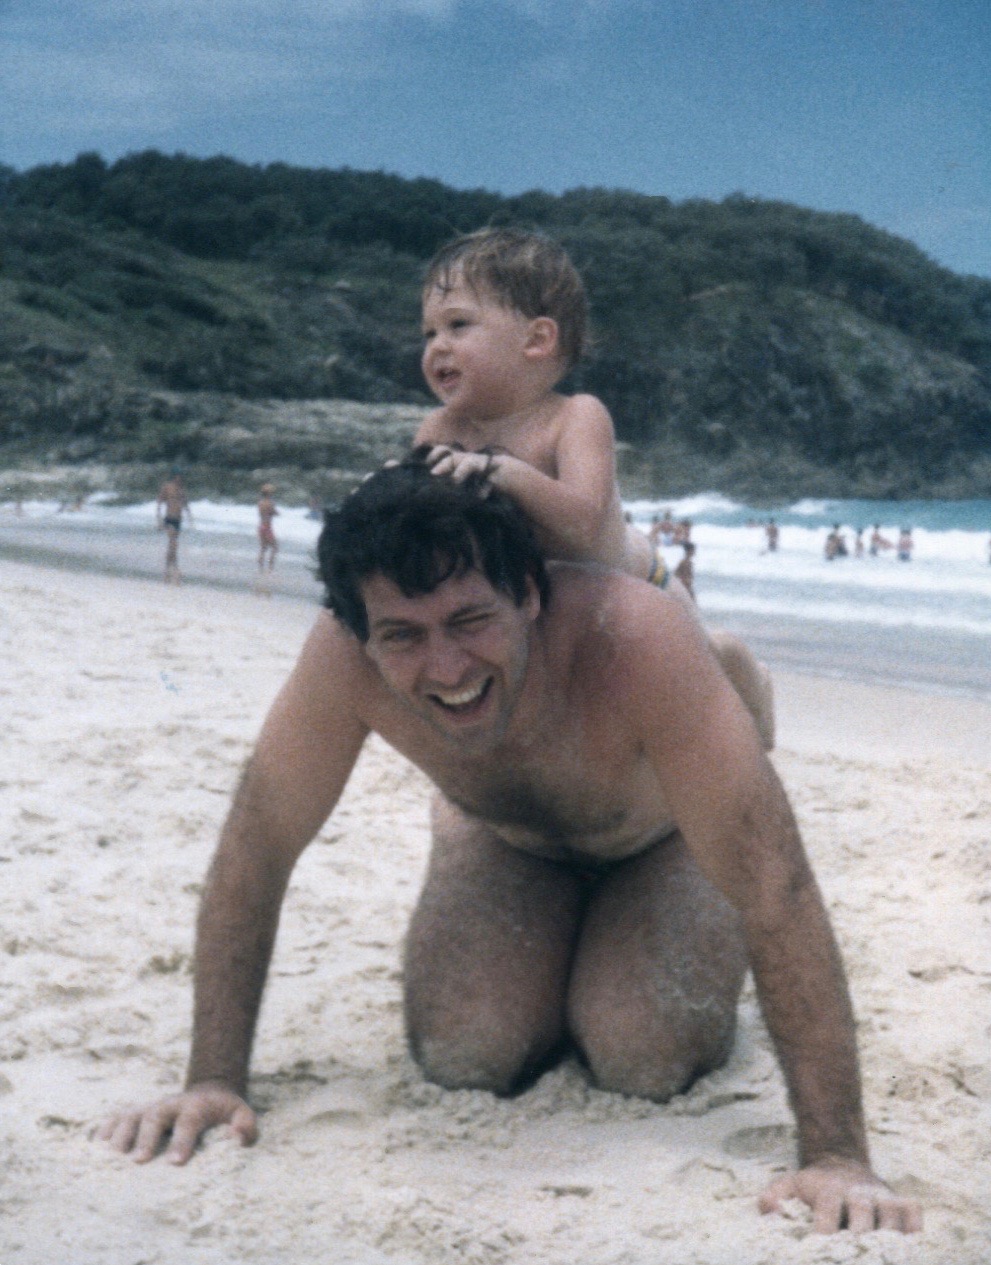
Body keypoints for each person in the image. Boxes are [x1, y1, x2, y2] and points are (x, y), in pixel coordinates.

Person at [100, 461, 921, 1235]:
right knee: (467, 1052)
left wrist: (836, 1156)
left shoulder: (632, 635)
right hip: (510, 838)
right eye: (403, 636)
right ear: (360, 629)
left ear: (527, 591)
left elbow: (774, 882)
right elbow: (258, 841)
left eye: (469, 619)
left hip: (661, 839)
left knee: (641, 1053)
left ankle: (733, 681)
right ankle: (470, 834)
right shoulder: (343, 654)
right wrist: (213, 1078)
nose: (445, 664)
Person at [414, 227, 771, 746]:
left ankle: (753, 689)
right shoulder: (439, 430)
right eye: (428, 334)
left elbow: (583, 522)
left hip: (636, 586)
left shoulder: (575, 417)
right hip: (546, 608)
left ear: (537, 339)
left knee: (704, 679)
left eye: (458, 325)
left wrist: (501, 470)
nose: (436, 347)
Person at [156, 470, 192, 584]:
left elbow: (185, 504)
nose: (179, 479)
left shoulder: (181, 489)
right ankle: (175, 570)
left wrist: (190, 517)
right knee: (173, 544)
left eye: (181, 477)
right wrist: (159, 520)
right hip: (169, 518)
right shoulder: (167, 487)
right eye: (178, 477)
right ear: (174, 477)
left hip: (178, 520)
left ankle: (167, 571)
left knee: (173, 546)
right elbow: (159, 503)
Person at [256, 484, 279, 573]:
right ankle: (270, 568)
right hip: (267, 527)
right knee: (275, 548)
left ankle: (260, 568)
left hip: (261, 526)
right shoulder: (270, 503)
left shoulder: (260, 503)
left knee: (263, 548)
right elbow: (274, 512)